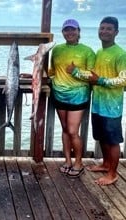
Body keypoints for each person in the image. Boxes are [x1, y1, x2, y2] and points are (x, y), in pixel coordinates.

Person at [67, 16, 126, 185]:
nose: (104, 31)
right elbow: (92, 76)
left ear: (116, 32)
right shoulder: (99, 52)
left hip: (112, 107)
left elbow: (124, 79)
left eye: (108, 29)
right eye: (102, 28)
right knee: (101, 138)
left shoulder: (121, 54)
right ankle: (106, 164)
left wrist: (101, 81)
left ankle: (113, 174)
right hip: (98, 105)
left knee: (112, 141)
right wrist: (76, 72)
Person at [48, 19, 96, 177]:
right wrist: (35, 75)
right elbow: (53, 71)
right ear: (62, 32)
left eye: (72, 30)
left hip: (78, 96)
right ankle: (68, 160)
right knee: (65, 130)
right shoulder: (57, 50)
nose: (69, 33)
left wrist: (75, 71)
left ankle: (79, 162)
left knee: (73, 131)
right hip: (58, 94)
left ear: (78, 31)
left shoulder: (88, 51)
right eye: (66, 30)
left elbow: (92, 76)